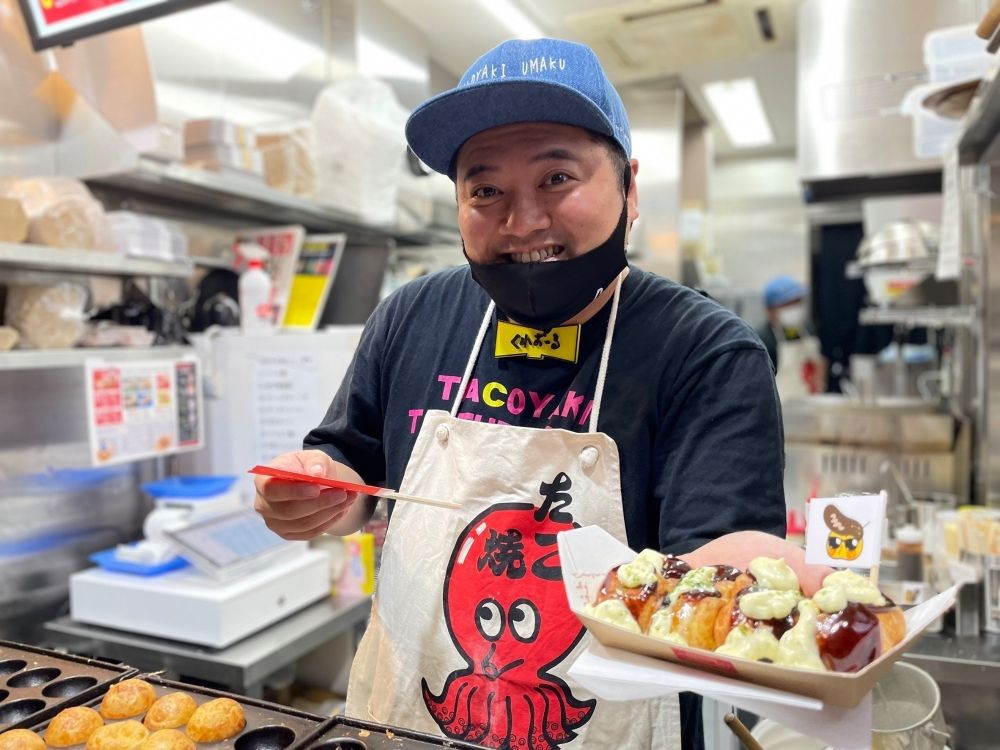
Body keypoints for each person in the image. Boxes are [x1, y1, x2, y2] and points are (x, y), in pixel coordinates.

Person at [254, 38, 816, 750]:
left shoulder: (705, 351)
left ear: (630, 188)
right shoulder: (411, 316)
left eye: (557, 177)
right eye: (485, 190)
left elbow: (717, 562)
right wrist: (317, 491)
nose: (522, 223)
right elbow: (354, 474)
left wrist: (757, 574)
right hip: (409, 721)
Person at [757, 275, 824, 401]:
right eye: (787, 304)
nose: (794, 308)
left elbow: (820, 362)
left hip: (812, 404)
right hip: (783, 412)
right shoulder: (764, 339)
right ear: (770, 311)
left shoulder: (808, 329)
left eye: (797, 302)